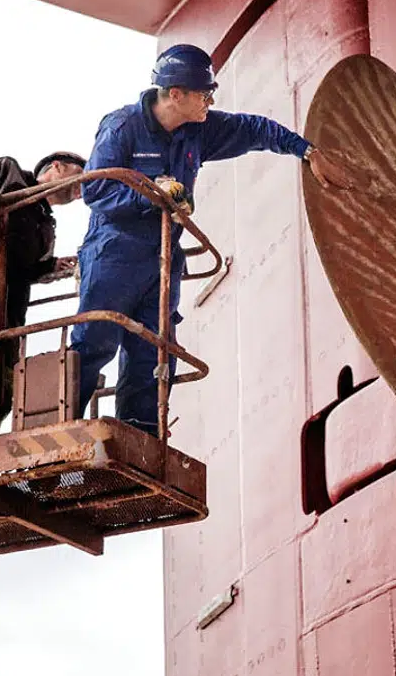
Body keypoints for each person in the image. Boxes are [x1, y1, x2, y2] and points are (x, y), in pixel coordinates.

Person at [71, 43, 354, 435]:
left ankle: (139, 442)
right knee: (95, 341)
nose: (210, 101)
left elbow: (254, 130)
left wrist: (307, 151)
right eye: (205, 94)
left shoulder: (198, 131)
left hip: (162, 260)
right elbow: (95, 191)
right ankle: (60, 433)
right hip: (114, 253)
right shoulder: (122, 127)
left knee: (152, 352)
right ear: (176, 95)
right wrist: (152, 194)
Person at [0, 151, 86, 329]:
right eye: (80, 176)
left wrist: (51, 266)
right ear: (57, 166)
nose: (81, 192)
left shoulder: (46, 227)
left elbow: (20, 268)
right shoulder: (8, 170)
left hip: (5, 320)